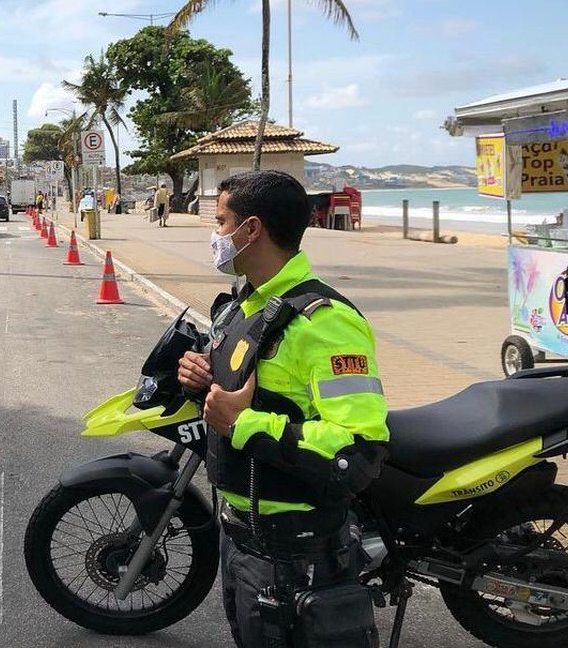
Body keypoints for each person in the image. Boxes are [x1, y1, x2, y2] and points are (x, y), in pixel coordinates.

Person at [177, 170, 388, 648]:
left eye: (220, 222)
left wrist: (243, 423)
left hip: (297, 556)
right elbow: (246, 392)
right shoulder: (245, 305)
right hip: (242, 540)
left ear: (251, 230)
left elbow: (358, 451)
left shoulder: (325, 324)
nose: (215, 236)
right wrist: (203, 383)